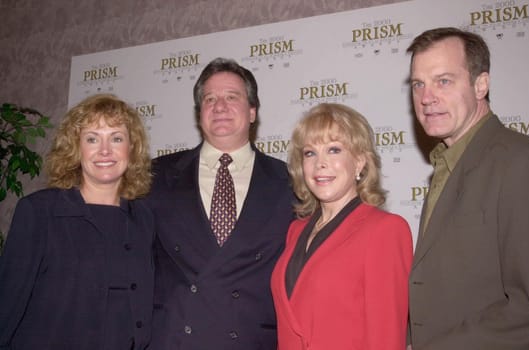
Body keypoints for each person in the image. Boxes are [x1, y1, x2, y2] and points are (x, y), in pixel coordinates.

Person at [147, 57, 294, 349]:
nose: (220, 106)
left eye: (231, 97)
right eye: (209, 99)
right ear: (199, 112)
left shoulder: (290, 182)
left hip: (252, 341)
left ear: (253, 112)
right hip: (174, 339)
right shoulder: (155, 176)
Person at [407, 27, 529, 349]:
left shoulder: (521, 162)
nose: (426, 97)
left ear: (481, 85)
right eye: (418, 84)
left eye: (443, 81)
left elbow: (526, 310)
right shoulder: (447, 163)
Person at [0, 94, 155, 350]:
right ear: (76, 147)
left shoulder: (144, 219)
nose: (105, 150)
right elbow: (7, 306)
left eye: (116, 138)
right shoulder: (40, 212)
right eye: (92, 138)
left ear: (132, 148)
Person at [271, 103, 413, 350]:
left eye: (334, 150)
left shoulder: (385, 231)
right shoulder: (295, 231)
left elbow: (387, 337)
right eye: (310, 153)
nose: (320, 163)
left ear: (359, 162)